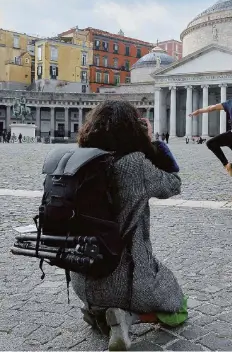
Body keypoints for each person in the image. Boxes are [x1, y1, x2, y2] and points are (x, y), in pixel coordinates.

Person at [71, 100, 187, 351]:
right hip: (126, 278)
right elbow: (174, 183)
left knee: (103, 293)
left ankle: (97, 312)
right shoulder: (135, 164)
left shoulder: (77, 160)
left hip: (82, 275)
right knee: (179, 308)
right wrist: (153, 142)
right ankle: (127, 317)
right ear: (132, 130)